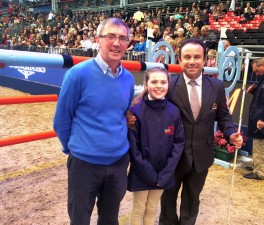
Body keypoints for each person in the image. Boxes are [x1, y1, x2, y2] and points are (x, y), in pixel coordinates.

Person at [53, 18, 135, 225]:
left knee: (110, 219)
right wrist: (75, 149)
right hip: (84, 164)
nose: (116, 43)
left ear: (128, 43)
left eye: (122, 38)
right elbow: (62, 120)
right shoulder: (77, 75)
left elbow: (122, 113)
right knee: (79, 219)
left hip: (118, 163)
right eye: (111, 36)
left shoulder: (128, 79)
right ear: (98, 40)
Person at [159, 38, 243, 225]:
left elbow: (224, 117)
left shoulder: (217, 86)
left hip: (202, 156)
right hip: (172, 157)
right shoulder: (168, 86)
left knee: (192, 201)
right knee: (168, 201)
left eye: (197, 57)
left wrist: (230, 133)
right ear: (179, 60)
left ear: (205, 60)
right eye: (187, 57)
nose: (192, 61)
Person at [128, 67, 185, 225]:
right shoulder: (136, 111)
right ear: (146, 84)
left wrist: (166, 172)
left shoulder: (173, 111)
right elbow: (133, 147)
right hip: (142, 172)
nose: (159, 86)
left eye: (163, 82)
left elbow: (179, 142)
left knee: (152, 208)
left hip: (163, 172)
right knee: (139, 208)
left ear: (168, 84)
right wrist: (149, 173)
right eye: (154, 82)